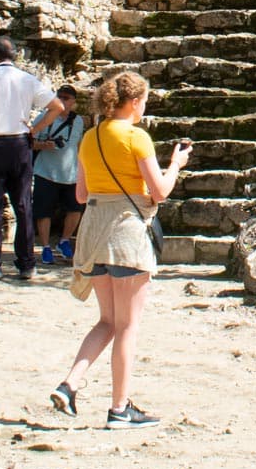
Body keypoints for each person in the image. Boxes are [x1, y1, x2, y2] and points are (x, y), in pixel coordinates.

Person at [50, 69, 191, 428]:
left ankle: (70, 384)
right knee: (127, 326)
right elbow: (159, 191)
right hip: (126, 233)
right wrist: (175, 164)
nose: (145, 107)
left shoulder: (90, 137)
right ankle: (119, 408)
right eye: (144, 101)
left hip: (93, 233)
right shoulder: (136, 138)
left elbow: (81, 195)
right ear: (134, 102)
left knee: (107, 321)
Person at [0, 36, 67, 283]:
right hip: (20, 144)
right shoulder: (26, 79)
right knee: (23, 205)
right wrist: (34, 129)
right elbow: (57, 106)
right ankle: (27, 264)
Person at [31, 86, 86, 267]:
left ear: (73, 101)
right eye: (59, 97)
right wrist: (42, 145)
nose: (62, 100)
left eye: (66, 98)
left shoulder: (77, 121)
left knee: (75, 209)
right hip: (46, 172)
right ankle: (46, 247)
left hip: (70, 173)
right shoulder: (44, 117)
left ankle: (64, 240)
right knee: (43, 211)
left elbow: (78, 145)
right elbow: (29, 141)